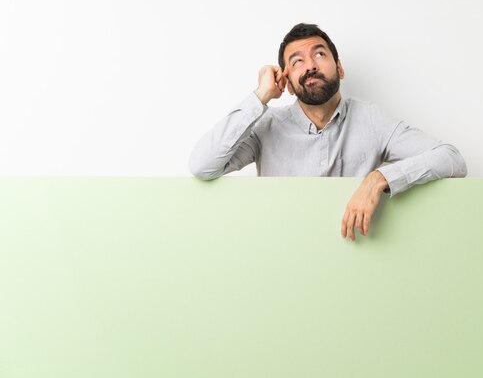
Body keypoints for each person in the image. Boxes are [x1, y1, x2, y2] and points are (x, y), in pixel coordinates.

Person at [189, 23, 467, 241]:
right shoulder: (267, 126)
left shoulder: (371, 119)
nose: (310, 65)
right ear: (286, 81)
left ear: (340, 68)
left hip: (356, 262)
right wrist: (261, 95)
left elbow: (451, 158)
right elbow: (202, 165)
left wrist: (378, 178)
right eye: (296, 61)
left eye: (319, 54)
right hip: (280, 262)